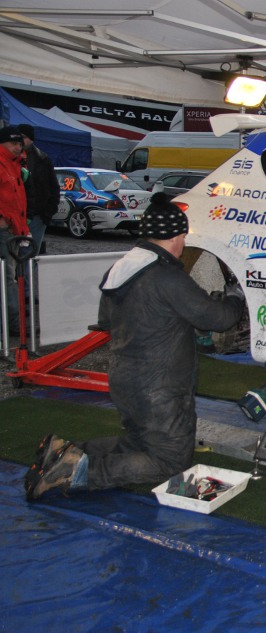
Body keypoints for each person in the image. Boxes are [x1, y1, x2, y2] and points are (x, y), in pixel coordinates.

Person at [25, 192, 245, 500]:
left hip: (125, 378)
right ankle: (76, 472)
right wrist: (236, 296)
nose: (184, 243)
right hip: (160, 387)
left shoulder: (122, 267)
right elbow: (217, 319)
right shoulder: (166, 276)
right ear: (175, 236)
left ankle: (66, 452)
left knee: (140, 442)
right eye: (183, 236)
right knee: (169, 462)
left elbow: (106, 321)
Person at [0, 125, 29, 331]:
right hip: (5, 230)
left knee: (11, 276)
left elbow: (17, 200)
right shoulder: (6, 164)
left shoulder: (14, 165)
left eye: (20, 143)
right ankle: (11, 322)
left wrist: (22, 226)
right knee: (7, 277)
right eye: (13, 143)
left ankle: (11, 320)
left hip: (13, 230)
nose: (18, 147)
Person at [17, 124, 61, 256]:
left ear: (31, 139)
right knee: (13, 254)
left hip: (37, 215)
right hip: (16, 215)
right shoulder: (11, 158)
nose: (20, 141)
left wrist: (47, 213)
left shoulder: (42, 159)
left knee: (30, 255)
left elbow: (53, 187)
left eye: (23, 137)